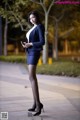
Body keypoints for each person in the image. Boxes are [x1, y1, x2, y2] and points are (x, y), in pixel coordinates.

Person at [21, 11, 45, 116]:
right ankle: (36, 104)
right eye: (30, 18)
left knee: (32, 77)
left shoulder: (39, 26)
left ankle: (38, 106)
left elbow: (42, 41)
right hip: (29, 52)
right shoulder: (33, 27)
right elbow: (31, 40)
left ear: (37, 17)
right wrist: (27, 45)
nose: (32, 20)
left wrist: (30, 44)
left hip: (34, 53)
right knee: (31, 78)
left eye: (33, 17)